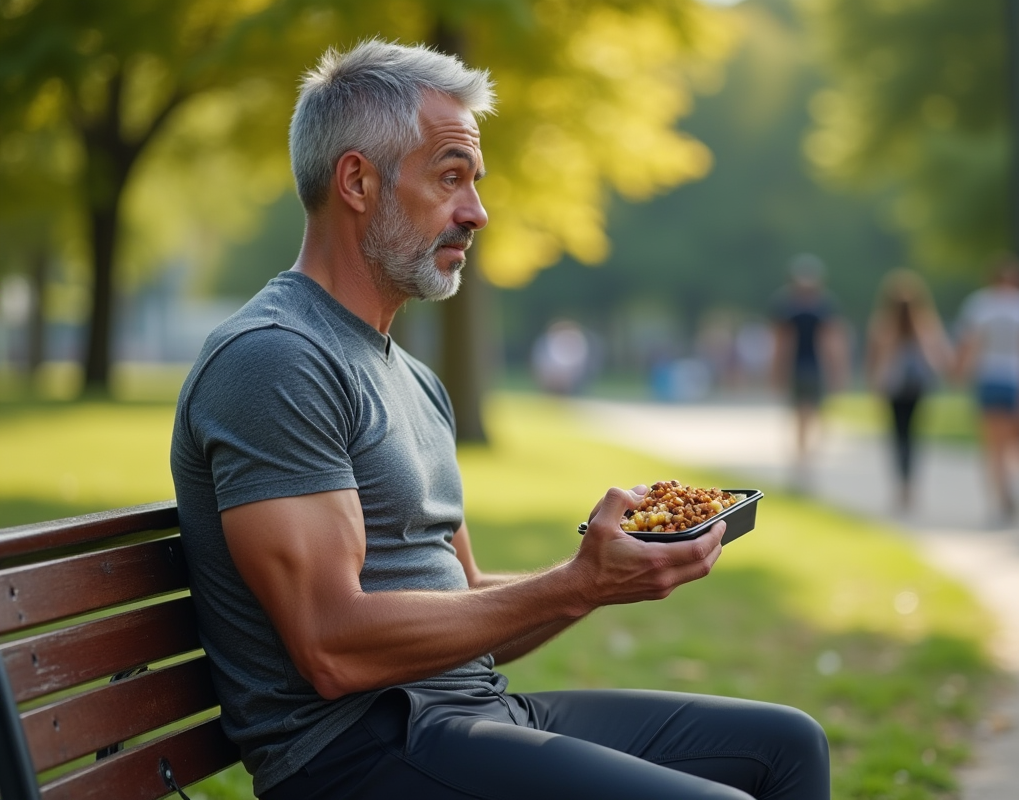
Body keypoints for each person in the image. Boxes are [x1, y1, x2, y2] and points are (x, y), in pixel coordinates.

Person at [169, 40, 828, 800]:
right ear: (357, 180)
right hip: (354, 752)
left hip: (466, 710)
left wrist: (604, 577)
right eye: (450, 178)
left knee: (788, 746)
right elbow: (330, 648)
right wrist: (576, 586)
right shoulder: (275, 360)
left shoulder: (413, 379)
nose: (477, 212)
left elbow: (470, 593)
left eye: (474, 182)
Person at [954, 254, 1019, 524]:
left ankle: (1001, 498)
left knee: (994, 447)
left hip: (990, 378)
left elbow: (970, 345)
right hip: (1018, 379)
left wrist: (959, 372)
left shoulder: (981, 304)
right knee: (1017, 443)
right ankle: (1015, 487)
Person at [864, 269, 953, 512]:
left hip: (893, 388)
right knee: (913, 436)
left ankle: (902, 486)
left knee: (898, 436)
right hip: (917, 388)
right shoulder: (924, 322)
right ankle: (910, 485)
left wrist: (874, 387)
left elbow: (873, 361)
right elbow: (940, 354)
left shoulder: (883, 324)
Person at [770, 254, 848, 477]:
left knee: (810, 414)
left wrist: (837, 371)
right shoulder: (792, 306)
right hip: (800, 366)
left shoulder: (819, 306)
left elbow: (832, 342)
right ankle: (803, 458)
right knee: (803, 413)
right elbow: (782, 342)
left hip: (814, 366)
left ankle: (804, 456)